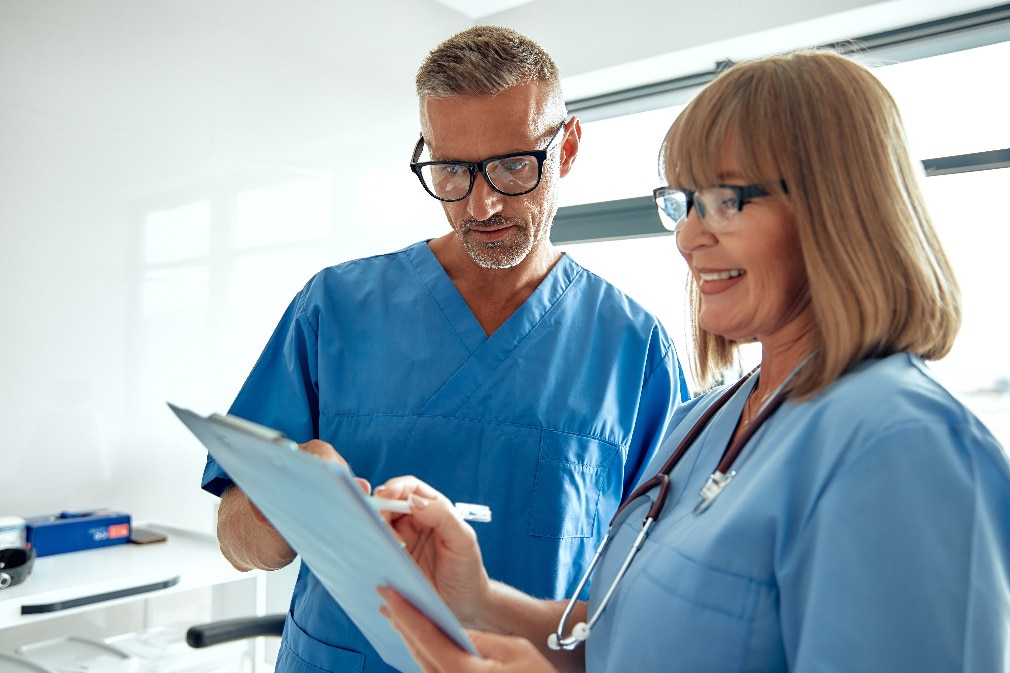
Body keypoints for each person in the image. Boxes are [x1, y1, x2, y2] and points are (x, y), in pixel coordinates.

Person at [373, 49, 1010, 673]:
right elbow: (618, 643)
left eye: (725, 201)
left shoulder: (905, 448)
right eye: (684, 202)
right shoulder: (704, 421)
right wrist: (476, 599)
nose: (687, 237)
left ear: (836, 206)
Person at [200, 25, 687, 673]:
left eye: (515, 165)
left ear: (566, 148)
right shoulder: (336, 309)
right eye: (452, 170)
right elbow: (238, 538)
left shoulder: (636, 349)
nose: (481, 203)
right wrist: (279, 514)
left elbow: (660, 591)